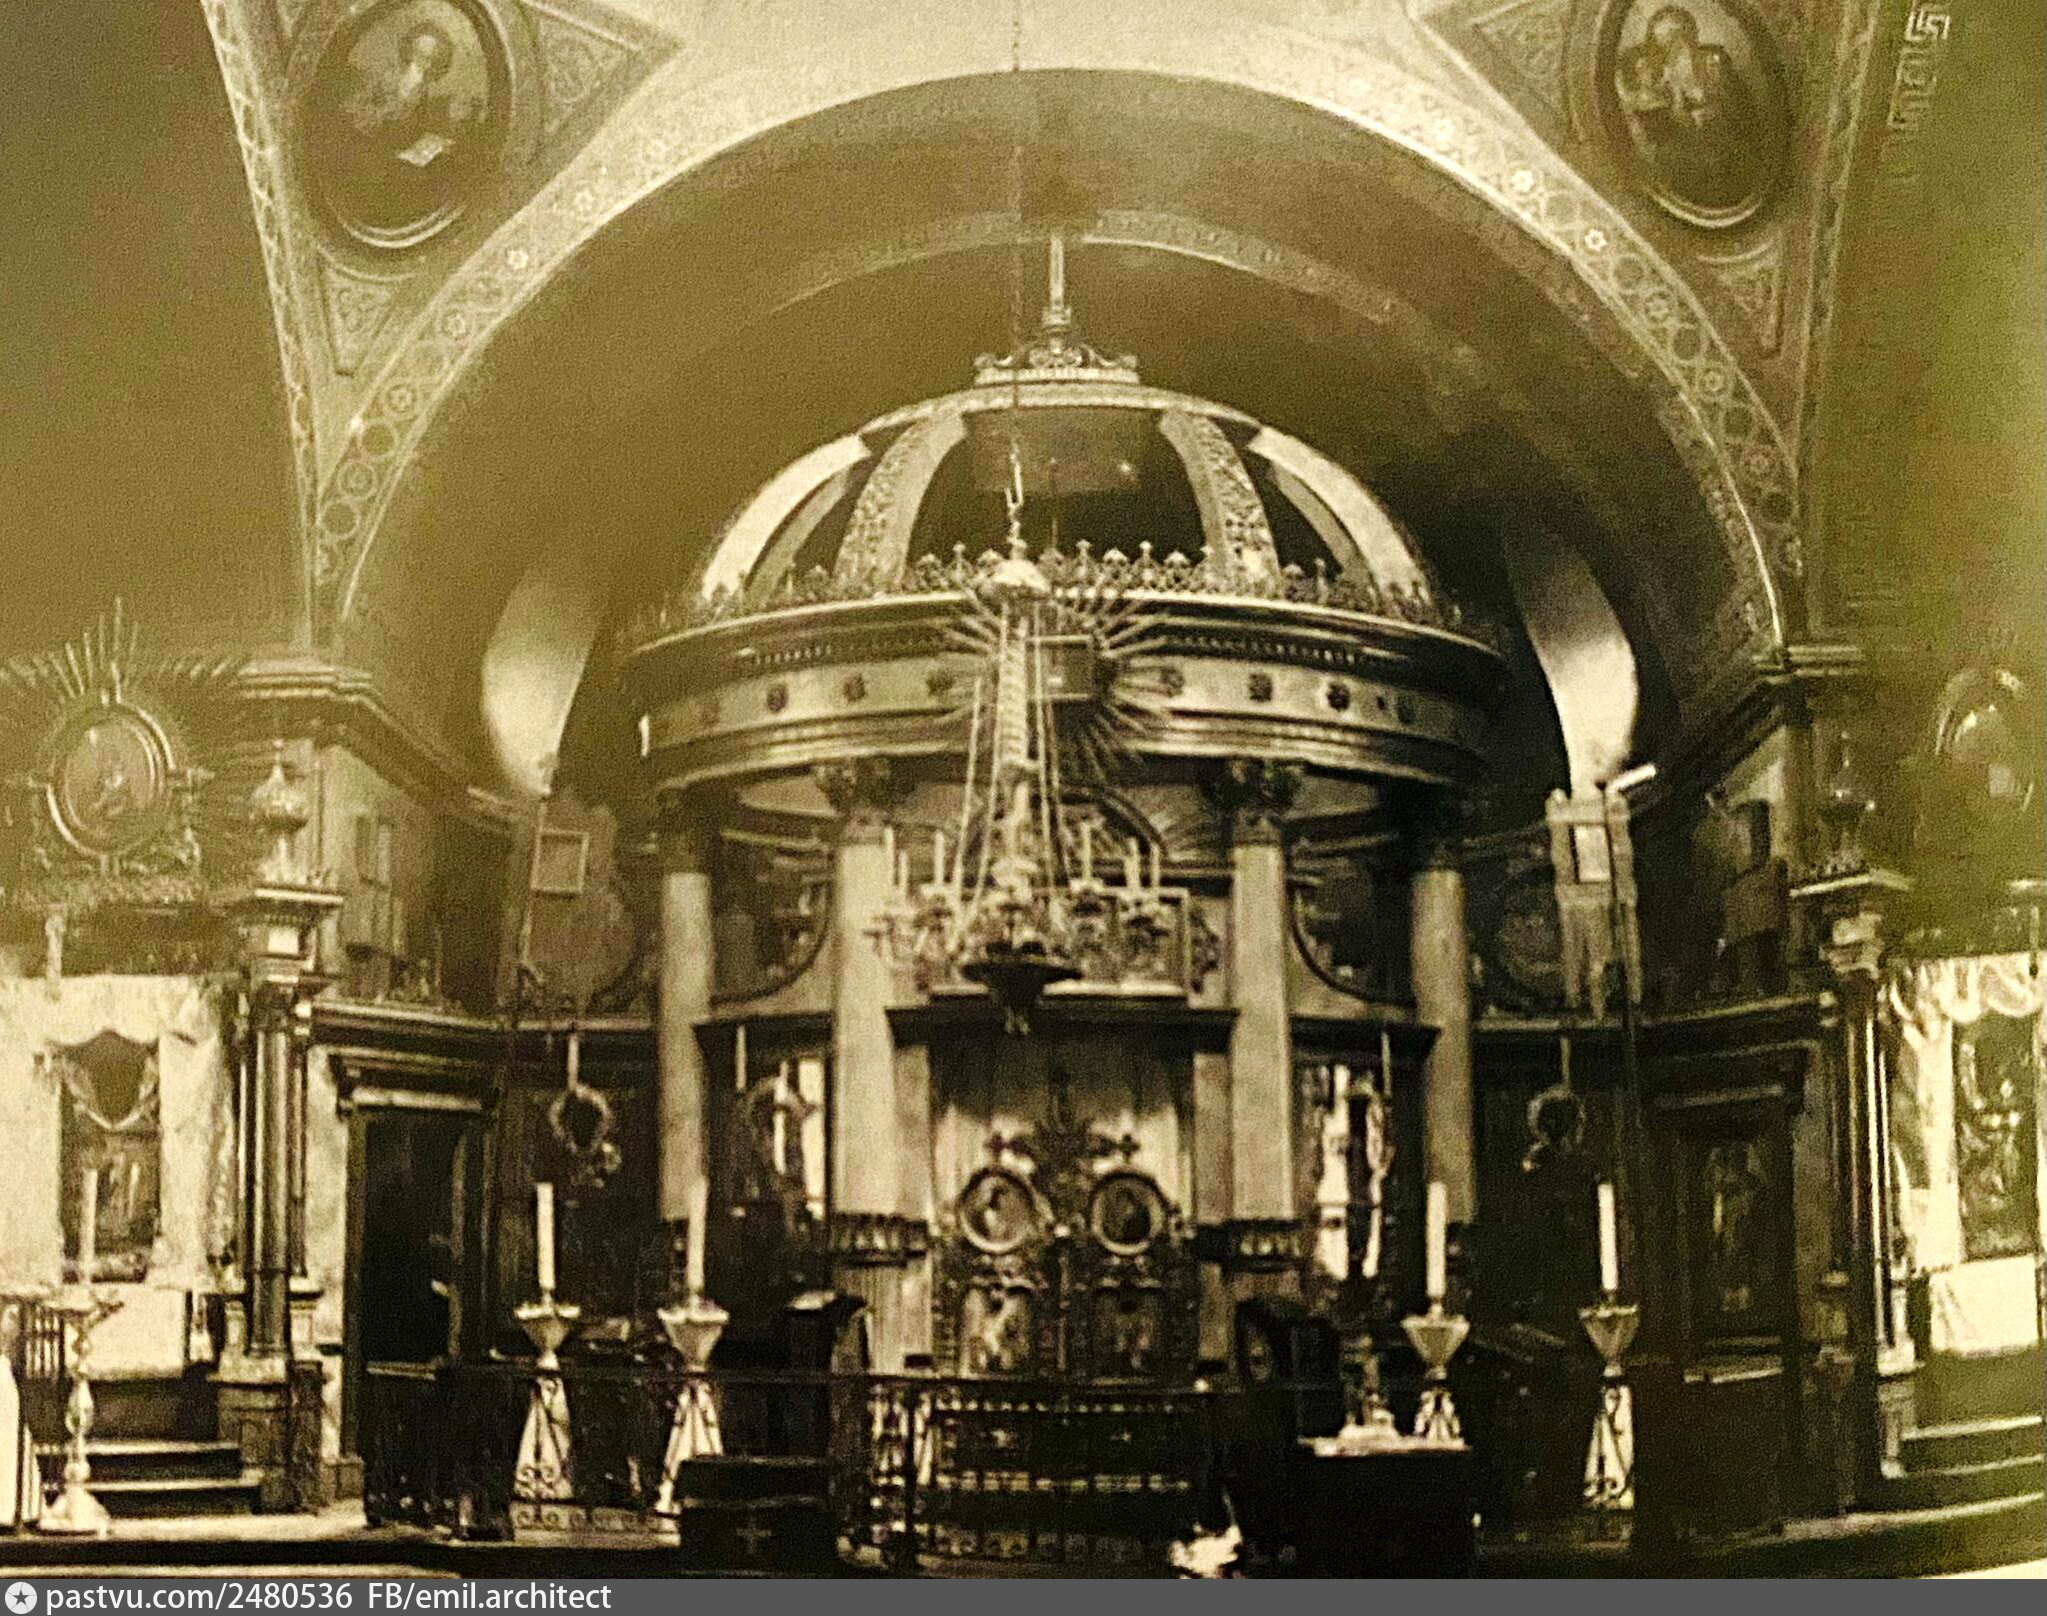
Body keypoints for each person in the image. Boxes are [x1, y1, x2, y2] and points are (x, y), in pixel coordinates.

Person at [1613, 6, 1761, 212]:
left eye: (1677, 36)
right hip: (1687, 167)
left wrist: (1714, 107)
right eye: (1663, 42)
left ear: (1691, 36)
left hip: (1731, 157)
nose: (1674, 47)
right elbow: (1659, 129)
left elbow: (1745, 115)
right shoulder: (1657, 77)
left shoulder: (1714, 63)